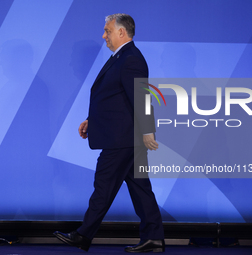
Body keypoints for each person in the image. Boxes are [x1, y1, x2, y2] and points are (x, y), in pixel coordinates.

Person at [54, 13, 165, 253]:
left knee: (103, 185)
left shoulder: (131, 58)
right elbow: (115, 99)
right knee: (140, 188)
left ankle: (83, 235)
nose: (104, 36)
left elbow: (142, 97)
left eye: (107, 31)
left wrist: (148, 131)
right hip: (125, 137)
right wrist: (91, 120)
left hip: (123, 139)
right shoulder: (121, 57)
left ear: (121, 32)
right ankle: (154, 237)